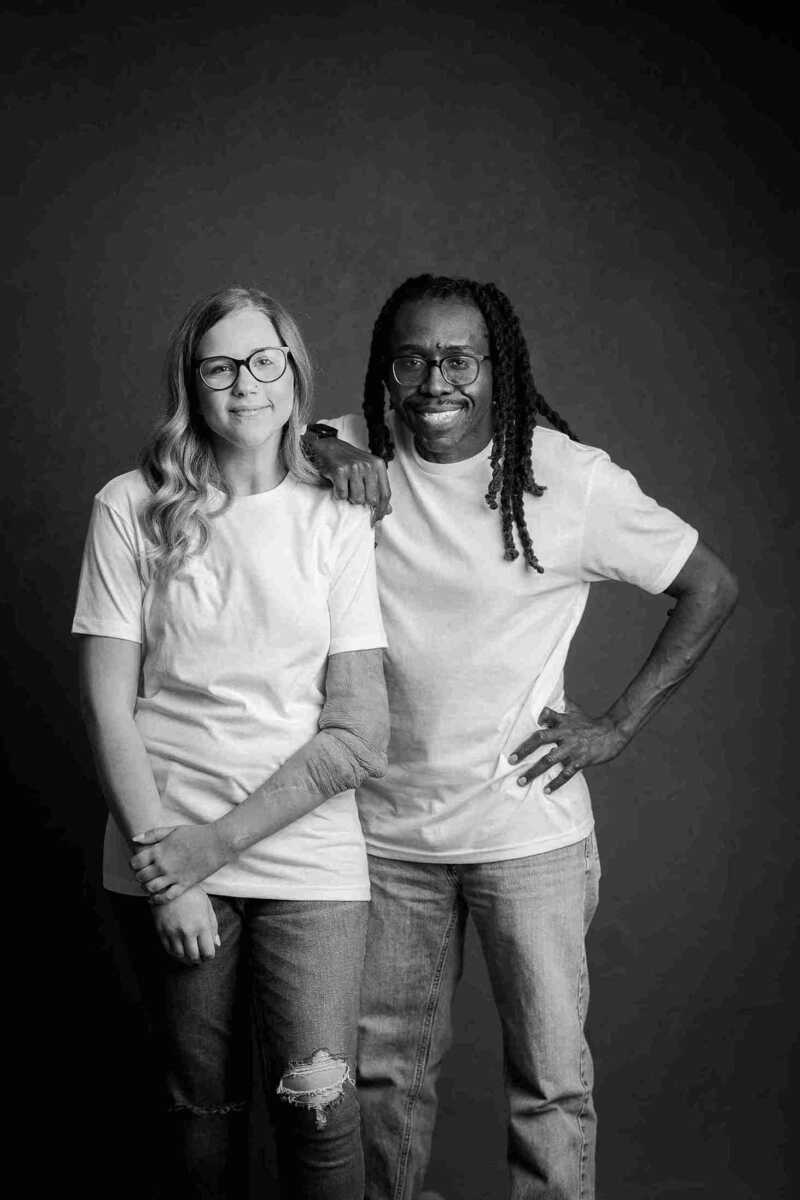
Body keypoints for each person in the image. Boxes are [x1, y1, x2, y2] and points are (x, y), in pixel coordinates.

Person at [301, 273, 739, 1200]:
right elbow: (260, 432)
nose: (433, 383)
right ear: (386, 369)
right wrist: (320, 446)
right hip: (386, 837)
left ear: (498, 368)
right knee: (380, 1085)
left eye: (458, 360)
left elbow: (709, 585)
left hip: (525, 839)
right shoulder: (356, 453)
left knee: (550, 1088)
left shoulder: (567, 479)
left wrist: (617, 726)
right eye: (410, 359)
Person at [72, 285, 389, 1200]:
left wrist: (210, 847)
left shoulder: (336, 513)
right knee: (199, 1107)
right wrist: (170, 866)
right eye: (220, 367)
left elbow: (359, 731)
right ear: (192, 384)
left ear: (294, 376)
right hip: (166, 855)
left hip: (306, 863)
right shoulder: (130, 505)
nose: (245, 385)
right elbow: (106, 705)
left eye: (264, 363)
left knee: (317, 1105)